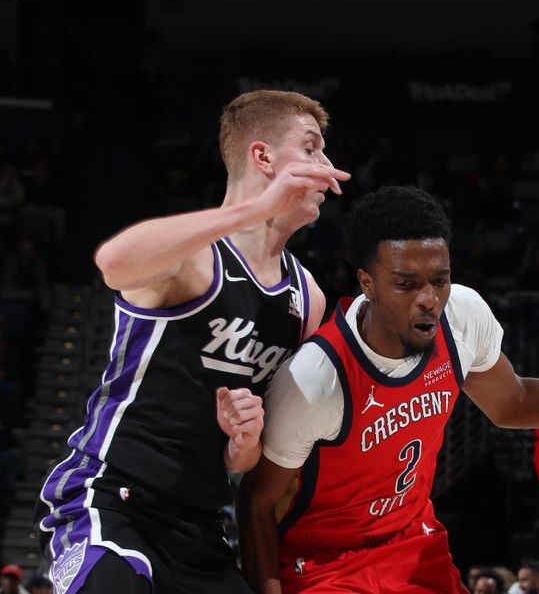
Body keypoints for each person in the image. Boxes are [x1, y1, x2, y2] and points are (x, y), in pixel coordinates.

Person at [236, 186, 539, 593]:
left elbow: (511, 401)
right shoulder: (318, 377)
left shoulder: (461, 316)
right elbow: (258, 503)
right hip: (326, 563)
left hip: (411, 541)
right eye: (406, 283)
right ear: (367, 282)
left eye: (440, 279)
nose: (429, 298)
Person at [33, 90, 350, 593]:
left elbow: (246, 459)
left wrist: (243, 442)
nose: (327, 166)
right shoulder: (198, 255)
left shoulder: (305, 294)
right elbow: (113, 262)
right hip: (111, 499)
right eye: (311, 148)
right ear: (262, 156)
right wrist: (250, 212)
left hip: (201, 523)